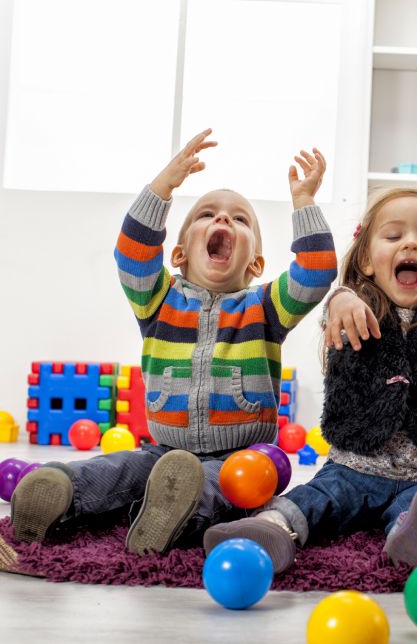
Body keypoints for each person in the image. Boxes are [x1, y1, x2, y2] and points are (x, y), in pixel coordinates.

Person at [11, 129, 337, 556]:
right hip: (163, 450)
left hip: (241, 455)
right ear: (179, 253)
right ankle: (62, 490)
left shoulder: (265, 307)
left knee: (230, 485)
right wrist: (164, 185)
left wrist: (305, 204)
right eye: (207, 214)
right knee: (121, 469)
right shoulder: (157, 300)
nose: (223, 220)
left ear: (256, 263)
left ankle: (170, 513)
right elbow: (132, 252)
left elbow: (316, 272)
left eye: (240, 219)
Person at [204, 186, 417, 572]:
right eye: (394, 236)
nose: (411, 245)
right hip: (353, 467)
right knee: (316, 498)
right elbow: (334, 314)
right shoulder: (354, 308)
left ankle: (409, 537)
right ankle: (270, 528)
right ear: (369, 260)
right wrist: (341, 298)